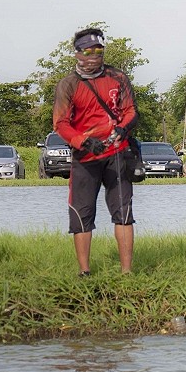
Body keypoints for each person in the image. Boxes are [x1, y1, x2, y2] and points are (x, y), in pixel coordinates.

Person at [53, 27, 139, 276]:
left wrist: (123, 129)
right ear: (77, 53)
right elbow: (60, 123)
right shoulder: (67, 85)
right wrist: (82, 141)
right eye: (88, 51)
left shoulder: (118, 77)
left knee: (123, 212)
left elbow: (131, 110)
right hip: (85, 158)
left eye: (99, 50)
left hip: (117, 153)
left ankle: (126, 272)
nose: (94, 56)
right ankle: (85, 271)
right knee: (82, 213)